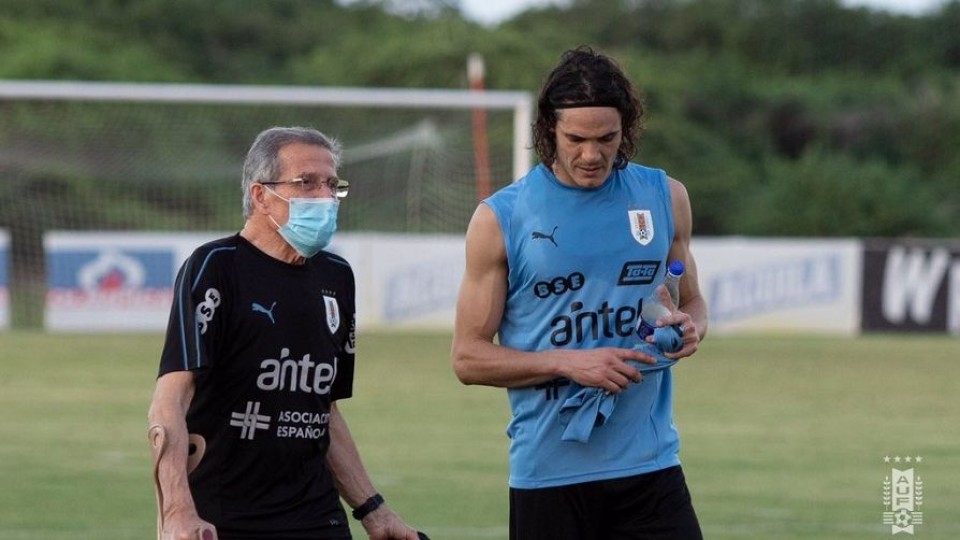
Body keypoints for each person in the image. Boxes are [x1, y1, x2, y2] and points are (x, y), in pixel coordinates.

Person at [451, 46, 709, 540]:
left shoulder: (665, 197)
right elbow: (468, 358)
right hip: (550, 474)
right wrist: (568, 363)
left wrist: (693, 325)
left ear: (627, 129)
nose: (591, 155)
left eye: (606, 138)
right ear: (549, 130)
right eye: (576, 138)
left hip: (651, 467)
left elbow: (692, 300)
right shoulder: (500, 218)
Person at [147, 126, 422, 540]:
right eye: (306, 183)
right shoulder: (216, 268)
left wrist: (373, 511)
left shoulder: (337, 276)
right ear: (261, 196)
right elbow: (170, 402)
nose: (325, 197)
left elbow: (321, 410)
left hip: (316, 515)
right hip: (224, 518)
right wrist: (177, 511)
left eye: (331, 185)